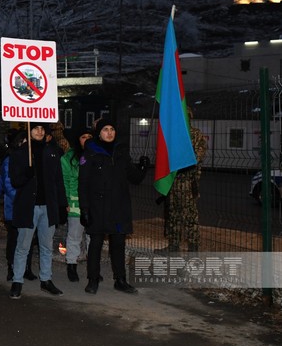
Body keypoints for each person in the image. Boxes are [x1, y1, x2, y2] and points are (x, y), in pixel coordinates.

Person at [78, 119, 149, 294]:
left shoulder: (121, 152)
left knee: (118, 245)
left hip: (118, 207)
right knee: (96, 244)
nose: (109, 133)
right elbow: (83, 183)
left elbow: (135, 178)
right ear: (99, 133)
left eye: (112, 129)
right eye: (105, 129)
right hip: (98, 207)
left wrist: (143, 166)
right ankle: (93, 279)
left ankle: (120, 280)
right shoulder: (90, 152)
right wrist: (85, 209)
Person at [8, 122, 67, 299]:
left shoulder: (52, 152)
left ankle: (46, 280)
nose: (39, 131)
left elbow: (58, 180)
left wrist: (62, 204)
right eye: (35, 128)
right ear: (29, 130)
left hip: (47, 207)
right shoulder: (20, 152)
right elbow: (15, 181)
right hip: (28, 207)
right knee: (23, 246)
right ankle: (17, 281)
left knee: (46, 246)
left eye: (42, 129)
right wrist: (26, 174)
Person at [163, 120, 207, 252]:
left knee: (190, 217)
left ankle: (193, 248)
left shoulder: (195, 134)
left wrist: (179, 161)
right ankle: (173, 245)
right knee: (173, 215)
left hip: (187, 182)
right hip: (172, 181)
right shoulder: (173, 135)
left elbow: (197, 156)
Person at [0, 129, 34, 281]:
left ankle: (27, 267)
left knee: (29, 238)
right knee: (14, 239)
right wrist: (22, 197)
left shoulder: (32, 159)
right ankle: (11, 267)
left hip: (28, 206)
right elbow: (8, 184)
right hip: (14, 207)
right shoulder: (9, 160)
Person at [61, 129, 94, 282]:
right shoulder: (68, 158)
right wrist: (66, 201)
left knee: (92, 236)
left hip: (94, 203)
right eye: (83, 136)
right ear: (77, 139)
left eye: (89, 137)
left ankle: (93, 267)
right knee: (74, 236)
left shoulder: (97, 155)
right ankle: (71, 265)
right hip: (75, 203)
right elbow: (65, 181)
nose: (86, 139)